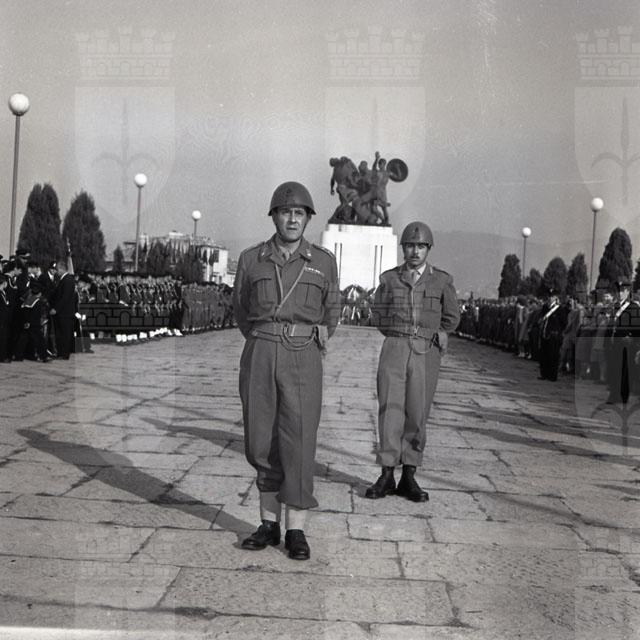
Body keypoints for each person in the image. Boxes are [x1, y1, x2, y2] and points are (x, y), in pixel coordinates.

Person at [233, 181, 339, 560]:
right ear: (274, 216)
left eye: (299, 213)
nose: (292, 219)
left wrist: (304, 334)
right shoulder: (251, 259)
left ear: (307, 219)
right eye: (285, 212)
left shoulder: (323, 261)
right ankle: (268, 524)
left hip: (302, 355)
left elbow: (332, 310)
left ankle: (296, 529)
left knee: (299, 439)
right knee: (259, 440)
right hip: (261, 350)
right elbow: (241, 309)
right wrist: (266, 338)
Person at [366, 221, 459, 502]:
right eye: (410, 246)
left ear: (428, 249)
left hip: (425, 351)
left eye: (420, 246)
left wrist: (437, 333)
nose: (415, 251)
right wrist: (399, 334)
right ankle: (386, 474)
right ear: (403, 248)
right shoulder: (389, 279)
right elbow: (379, 315)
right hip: (395, 346)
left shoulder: (441, 280)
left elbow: (452, 316)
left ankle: (409, 474)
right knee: (389, 410)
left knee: (418, 412)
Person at [605, 277, 640, 404]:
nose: (619, 293)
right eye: (618, 291)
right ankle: (614, 394)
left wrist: (632, 338)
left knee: (625, 370)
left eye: (622, 291)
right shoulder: (616, 307)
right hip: (615, 342)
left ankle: (623, 396)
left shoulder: (633, 307)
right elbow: (611, 326)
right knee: (614, 368)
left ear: (627, 292)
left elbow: (637, 327)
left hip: (627, 344)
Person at [50, 259, 76, 359]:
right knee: (60, 333)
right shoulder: (64, 280)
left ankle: (64, 354)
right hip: (63, 313)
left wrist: (56, 309)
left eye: (57, 269)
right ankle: (61, 353)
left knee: (65, 334)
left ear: (61, 269)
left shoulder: (68, 280)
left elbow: (65, 297)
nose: (56, 272)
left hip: (65, 313)